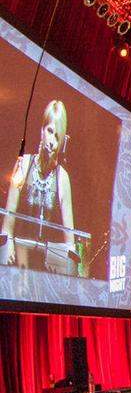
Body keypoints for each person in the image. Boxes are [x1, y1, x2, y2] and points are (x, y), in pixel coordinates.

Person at [2, 100, 77, 274]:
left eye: (57, 136)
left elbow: (70, 242)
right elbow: (7, 226)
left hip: (48, 270)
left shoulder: (62, 177)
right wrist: (9, 246)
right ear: (41, 130)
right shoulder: (23, 165)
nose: (52, 141)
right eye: (50, 131)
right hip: (18, 263)